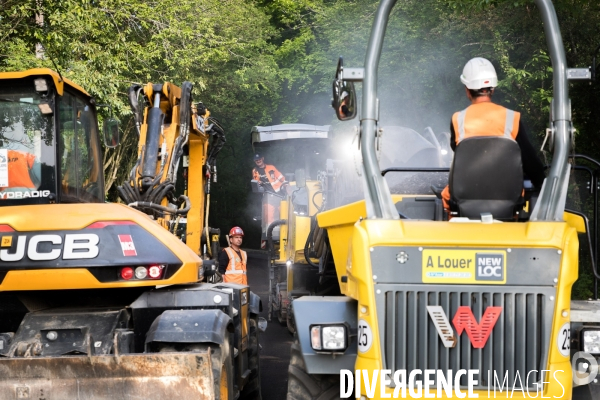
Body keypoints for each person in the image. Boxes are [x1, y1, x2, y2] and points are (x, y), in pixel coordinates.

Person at [441, 57, 546, 214]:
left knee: (446, 197)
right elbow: (530, 162)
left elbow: (462, 159)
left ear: (467, 90)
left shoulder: (458, 120)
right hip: (508, 201)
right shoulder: (512, 118)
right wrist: (542, 185)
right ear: (493, 89)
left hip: (465, 200)